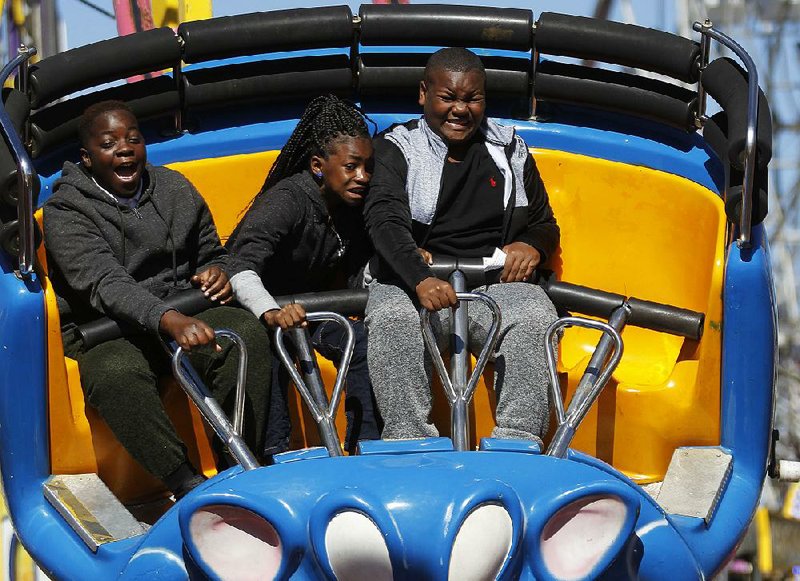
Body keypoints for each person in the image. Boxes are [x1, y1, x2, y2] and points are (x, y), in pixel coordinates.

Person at [43, 100, 271, 499]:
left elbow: (211, 251)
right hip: (108, 328)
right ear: (88, 157)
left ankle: (239, 465)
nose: (125, 149)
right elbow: (104, 283)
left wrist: (217, 271)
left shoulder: (173, 187)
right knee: (113, 373)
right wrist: (168, 319)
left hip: (183, 309)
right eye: (110, 143)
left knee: (245, 333)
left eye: (133, 139)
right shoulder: (67, 211)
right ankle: (183, 482)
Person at [363, 48, 560, 443]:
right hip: (412, 283)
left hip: (494, 284)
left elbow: (544, 222)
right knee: (391, 319)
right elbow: (383, 221)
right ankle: (409, 443)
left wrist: (531, 245)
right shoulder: (396, 147)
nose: (460, 110)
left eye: (472, 99)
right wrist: (420, 278)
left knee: (536, 316)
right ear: (423, 94)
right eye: (448, 98)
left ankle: (516, 444)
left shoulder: (509, 148)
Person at [226, 94, 381, 455]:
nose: (362, 177)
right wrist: (271, 312)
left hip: (313, 313)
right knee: (273, 353)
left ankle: (365, 446)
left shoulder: (351, 204)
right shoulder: (288, 200)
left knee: (360, 341)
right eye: (352, 167)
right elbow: (238, 264)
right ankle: (278, 455)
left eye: (368, 167)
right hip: (262, 315)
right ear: (317, 165)